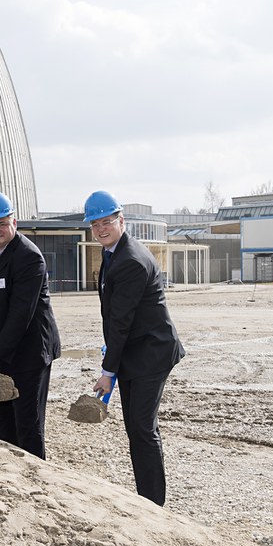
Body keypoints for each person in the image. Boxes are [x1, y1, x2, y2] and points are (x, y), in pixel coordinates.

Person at [86, 190, 185, 506]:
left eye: (107, 222)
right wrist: (112, 360)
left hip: (151, 353)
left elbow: (121, 322)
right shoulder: (113, 252)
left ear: (121, 220)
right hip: (134, 351)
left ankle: (154, 504)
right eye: (95, 224)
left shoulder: (129, 260)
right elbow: (116, 318)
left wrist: (107, 372)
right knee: (136, 426)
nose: (101, 229)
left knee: (142, 428)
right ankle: (148, 498)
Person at [0, 192, 61, 459]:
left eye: (1, 224)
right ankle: (5, 472)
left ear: (14, 222)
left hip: (28, 354)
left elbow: (22, 313)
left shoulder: (28, 257)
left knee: (26, 425)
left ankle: (34, 478)